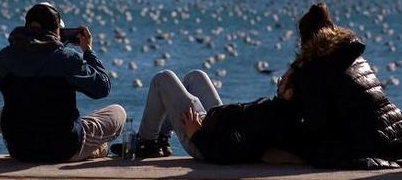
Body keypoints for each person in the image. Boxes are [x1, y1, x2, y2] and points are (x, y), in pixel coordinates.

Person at [288, 2, 402, 169]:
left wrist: (290, 99)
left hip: (373, 141)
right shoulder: (353, 56)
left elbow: (316, 124)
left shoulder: (314, 69)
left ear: (305, 39)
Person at [0, 2, 125, 162]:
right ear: (56, 30)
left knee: (8, 109)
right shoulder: (67, 59)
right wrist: (87, 51)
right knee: (118, 112)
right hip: (63, 148)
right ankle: (90, 149)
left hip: (19, 149)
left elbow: (1, 84)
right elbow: (102, 88)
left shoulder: (4, 58)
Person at [128, 68, 300, 163]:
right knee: (196, 77)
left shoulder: (272, 117)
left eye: (283, 80)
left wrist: (196, 133)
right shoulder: (278, 110)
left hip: (204, 139)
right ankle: (161, 139)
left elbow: (230, 151)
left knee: (163, 79)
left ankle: (146, 143)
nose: (278, 81)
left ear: (290, 93)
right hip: (215, 125)